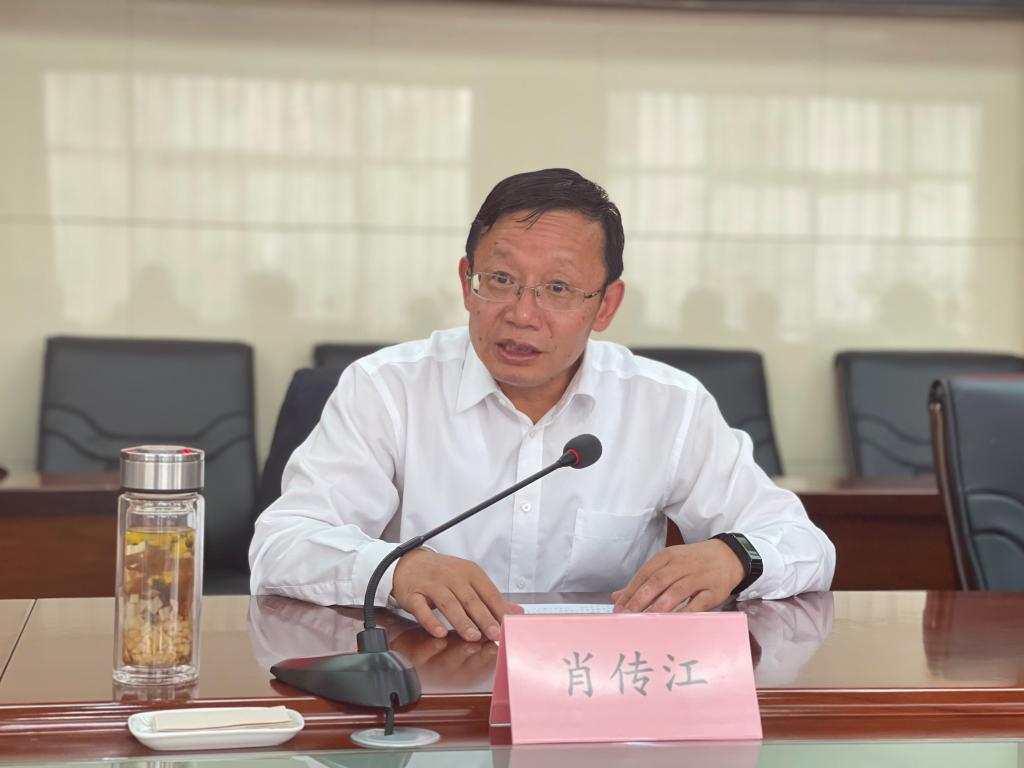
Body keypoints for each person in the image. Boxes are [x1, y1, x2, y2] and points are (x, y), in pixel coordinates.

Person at [249, 168, 835, 644]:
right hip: (425, 681)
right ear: (467, 281)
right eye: (500, 279)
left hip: (596, 692)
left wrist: (735, 556)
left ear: (606, 306)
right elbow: (281, 546)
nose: (522, 314)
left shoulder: (667, 406)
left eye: (557, 289)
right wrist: (396, 569)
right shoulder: (386, 389)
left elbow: (803, 544)